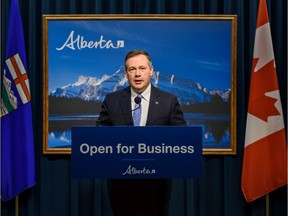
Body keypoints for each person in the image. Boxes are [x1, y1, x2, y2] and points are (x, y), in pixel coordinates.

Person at [98, 50, 186, 216]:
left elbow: (181, 139)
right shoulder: (112, 100)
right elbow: (100, 137)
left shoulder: (169, 101)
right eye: (132, 69)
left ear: (151, 71)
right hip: (120, 183)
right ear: (126, 73)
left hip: (157, 184)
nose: (137, 74)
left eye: (142, 68)